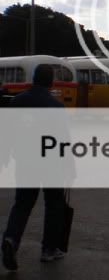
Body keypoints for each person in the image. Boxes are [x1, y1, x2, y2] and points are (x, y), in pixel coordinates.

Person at [2, 65, 71, 270]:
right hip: (51, 163)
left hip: (25, 161)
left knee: (22, 204)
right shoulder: (56, 106)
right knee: (54, 205)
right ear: (51, 82)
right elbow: (63, 139)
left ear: (33, 78)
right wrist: (70, 167)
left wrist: (4, 155)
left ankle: (11, 240)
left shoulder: (17, 101)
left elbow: (7, 131)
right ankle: (48, 249)